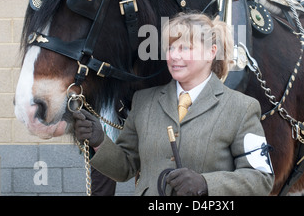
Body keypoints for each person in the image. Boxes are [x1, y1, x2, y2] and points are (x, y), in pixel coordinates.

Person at [73, 12, 274, 196]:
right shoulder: (143, 102)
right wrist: (99, 141)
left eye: (185, 48)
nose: (174, 56)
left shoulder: (242, 108)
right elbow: (125, 168)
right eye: (170, 48)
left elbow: (261, 179)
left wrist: (206, 184)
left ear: (211, 52)